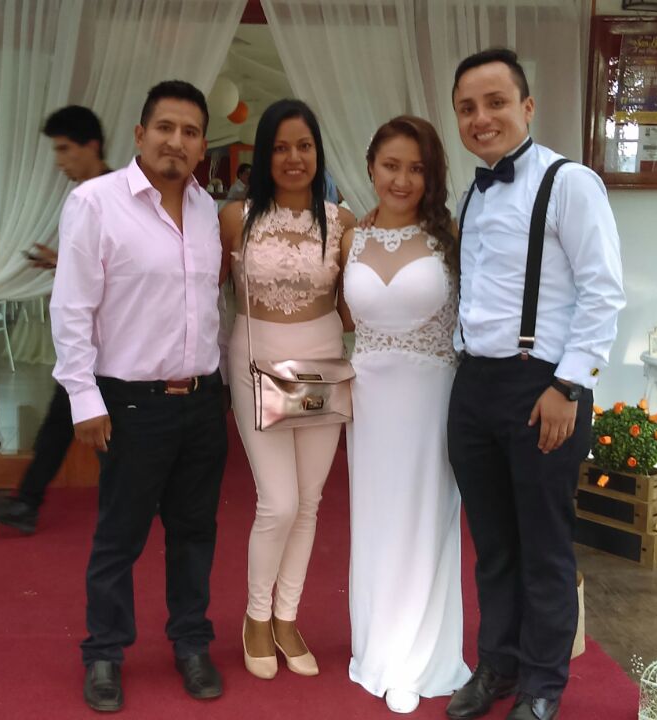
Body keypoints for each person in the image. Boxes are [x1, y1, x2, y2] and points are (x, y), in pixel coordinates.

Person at [444, 49, 624, 720]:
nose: (481, 118)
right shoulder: (473, 192)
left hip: (543, 386)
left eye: (495, 102)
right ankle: (499, 664)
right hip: (475, 386)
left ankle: (544, 683)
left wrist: (568, 386)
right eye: (467, 108)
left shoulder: (569, 183)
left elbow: (603, 291)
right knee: (493, 544)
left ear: (527, 106)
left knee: (544, 544)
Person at [51, 81, 228, 712]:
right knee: (119, 537)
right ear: (140, 134)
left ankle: (191, 643)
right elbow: (71, 307)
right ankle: (104, 652)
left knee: (194, 532)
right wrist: (83, 398)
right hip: (131, 404)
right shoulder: (95, 203)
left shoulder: (208, 211)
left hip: (202, 402)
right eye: (165, 128)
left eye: (190, 132)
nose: (176, 141)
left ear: (202, 145)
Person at [218, 98, 354, 681]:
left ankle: (287, 616)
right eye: (280, 147)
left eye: (304, 146)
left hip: (321, 366)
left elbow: (354, 306)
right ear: (264, 153)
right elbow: (205, 289)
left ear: (318, 151)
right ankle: (255, 616)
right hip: (257, 364)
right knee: (278, 501)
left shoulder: (342, 222)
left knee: (310, 500)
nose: (293, 157)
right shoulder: (235, 218)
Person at [341, 116, 471, 714]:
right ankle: (378, 646)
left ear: (432, 174)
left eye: (416, 168)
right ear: (370, 166)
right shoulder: (349, 236)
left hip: (431, 397)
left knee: (426, 517)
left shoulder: (450, 236)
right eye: (391, 165)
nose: (402, 179)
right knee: (376, 520)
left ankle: (419, 657)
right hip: (368, 400)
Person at [0, 105, 110, 534]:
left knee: (99, 428)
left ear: (92, 146)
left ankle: (135, 502)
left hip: (112, 340)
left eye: (65, 149)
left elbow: (123, 270)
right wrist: (62, 263)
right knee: (62, 422)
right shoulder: (88, 196)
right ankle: (28, 501)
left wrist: (68, 267)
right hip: (89, 340)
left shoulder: (112, 198)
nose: (59, 160)